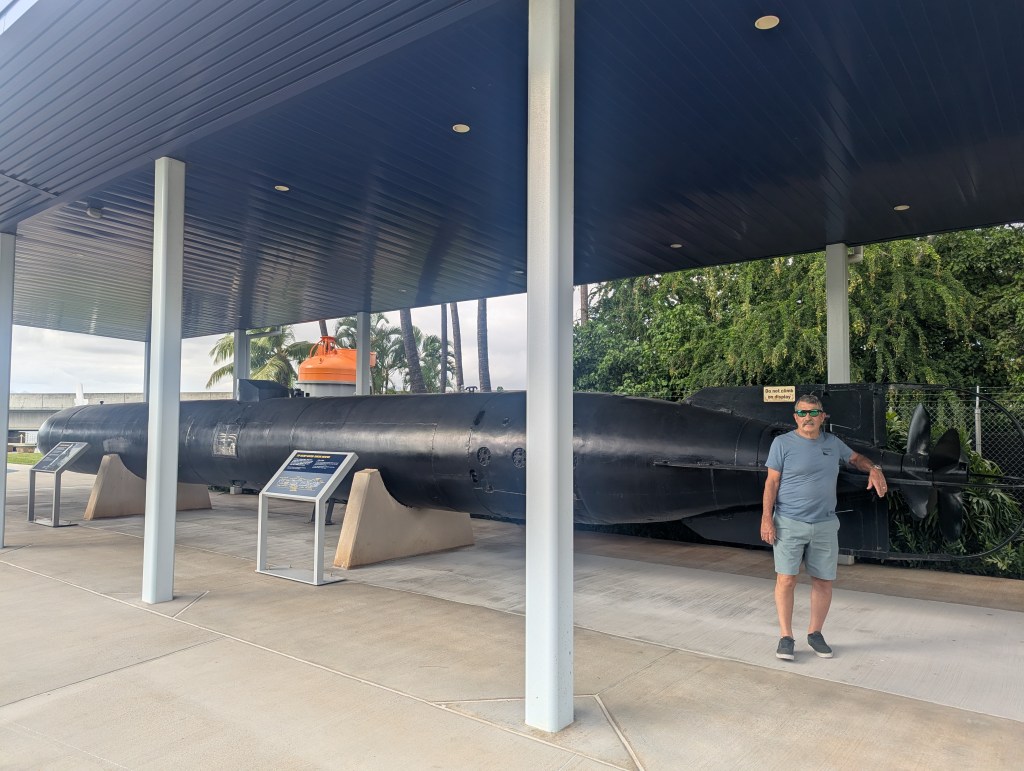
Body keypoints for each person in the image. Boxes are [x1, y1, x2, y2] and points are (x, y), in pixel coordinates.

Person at [760, 394, 887, 660]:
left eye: (813, 413)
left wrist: (874, 468)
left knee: (823, 582)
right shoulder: (782, 444)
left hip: (825, 524)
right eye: (802, 413)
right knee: (786, 579)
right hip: (789, 523)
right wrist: (766, 518)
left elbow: (856, 459)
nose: (808, 418)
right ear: (795, 417)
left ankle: (815, 633)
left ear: (822, 416)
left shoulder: (833, 443)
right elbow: (771, 483)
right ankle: (786, 637)